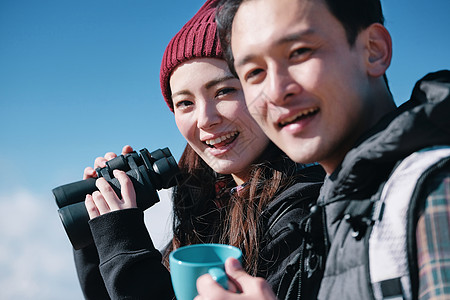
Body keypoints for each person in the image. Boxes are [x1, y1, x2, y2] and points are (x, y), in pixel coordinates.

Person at [195, 0, 450, 299]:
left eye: (299, 53)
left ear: (374, 49)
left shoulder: (434, 189)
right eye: (254, 73)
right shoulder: (337, 206)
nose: (277, 91)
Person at [72, 0, 325, 299]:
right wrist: (100, 233)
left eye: (224, 91)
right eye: (185, 103)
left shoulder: (303, 209)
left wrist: (125, 246)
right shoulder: (207, 205)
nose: (205, 119)